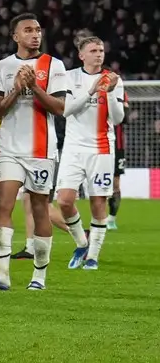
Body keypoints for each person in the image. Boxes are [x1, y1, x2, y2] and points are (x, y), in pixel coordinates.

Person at [0, 13, 68, 292]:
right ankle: (2, 275)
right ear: (15, 36)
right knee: (4, 205)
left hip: (41, 150)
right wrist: (16, 90)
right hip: (9, 148)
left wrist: (33, 87)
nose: (35, 34)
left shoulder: (54, 65)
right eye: (28, 30)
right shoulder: (3, 67)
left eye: (38, 30)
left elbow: (59, 108)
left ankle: (39, 277)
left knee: (40, 209)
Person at [57, 36, 125, 270]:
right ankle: (82, 243)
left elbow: (118, 118)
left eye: (101, 50)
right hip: (73, 148)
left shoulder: (114, 79)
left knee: (98, 203)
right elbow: (66, 110)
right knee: (64, 201)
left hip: (101, 148)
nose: (99, 54)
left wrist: (109, 93)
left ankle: (93, 257)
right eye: (94, 50)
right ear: (81, 55)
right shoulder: (70, 77)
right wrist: (92, 91)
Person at [108, 91, 130, 231]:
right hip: (98, 142)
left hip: (117, 146)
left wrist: (123, 105)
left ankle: (111, 219)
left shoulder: (121, 92)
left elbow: (126, 119)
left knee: (115, 183)